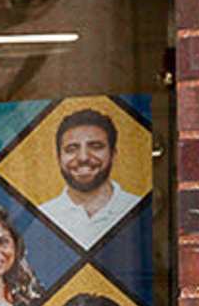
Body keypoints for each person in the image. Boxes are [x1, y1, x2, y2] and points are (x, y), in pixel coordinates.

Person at [34, 105, 141, 250]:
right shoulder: (41, 216)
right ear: (58, 158)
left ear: (113, 154)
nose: (83, 157)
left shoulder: (138, 208)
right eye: (71, 149)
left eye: (96, 146)